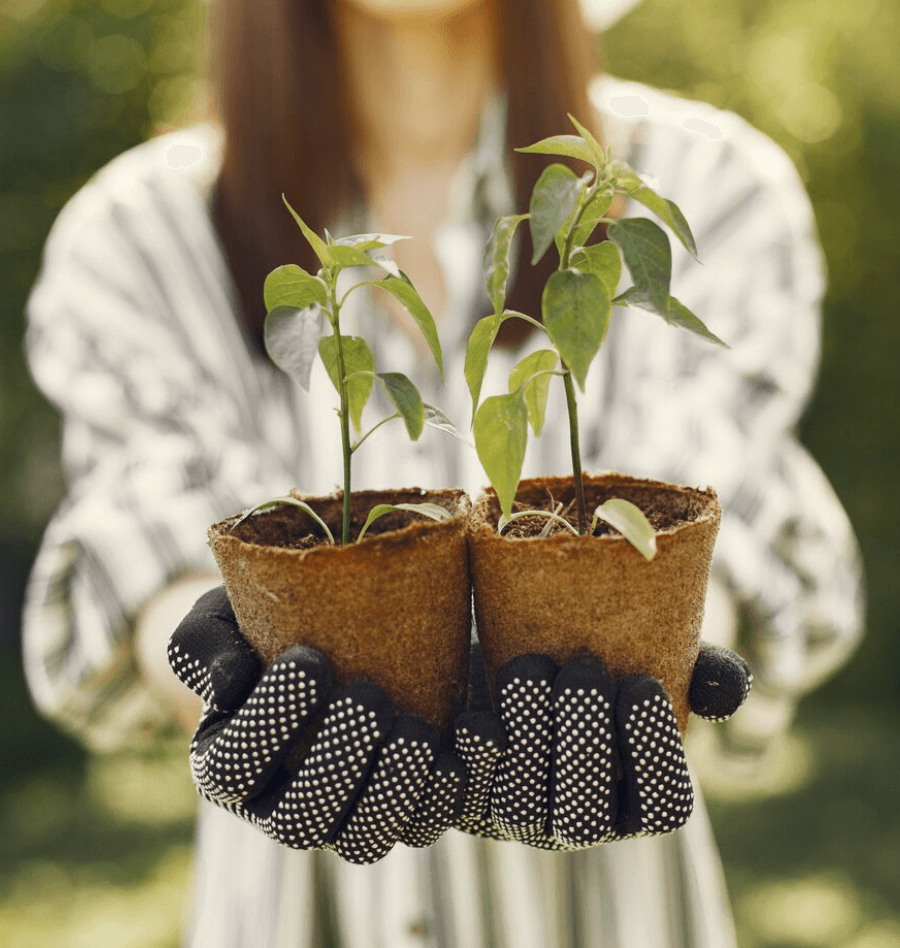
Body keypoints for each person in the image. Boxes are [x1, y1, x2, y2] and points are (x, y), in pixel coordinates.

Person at [21, 0, 864, 945]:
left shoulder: (714, 185)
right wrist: (225, 670)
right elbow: (145, 524)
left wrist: (660, 651)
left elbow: (713, 497)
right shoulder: (142, 235)